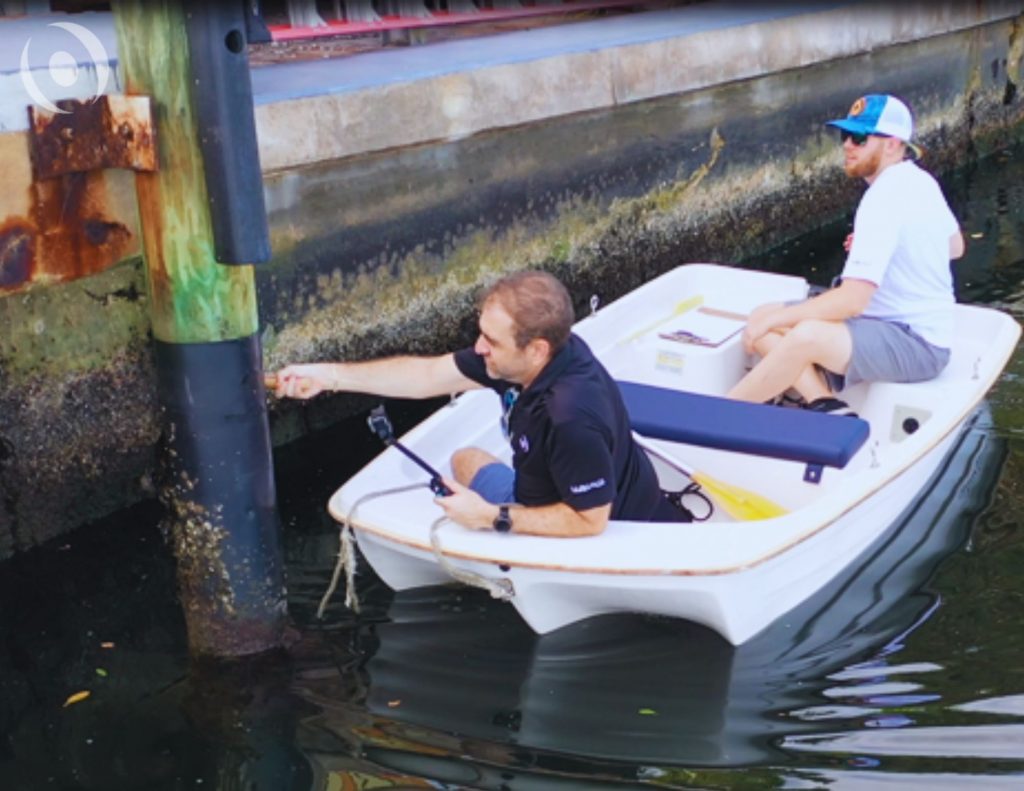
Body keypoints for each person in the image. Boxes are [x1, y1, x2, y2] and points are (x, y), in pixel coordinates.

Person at [272, 270, 681, 536]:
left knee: (475, 488)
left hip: (611, 530)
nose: (478, 348)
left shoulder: (569, 416)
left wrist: (490, 516)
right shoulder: (524, 358)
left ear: (536, 349)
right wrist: (330, 377)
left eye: (491, 341)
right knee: (465, 458)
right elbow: (427, 376)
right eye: (481, 333)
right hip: (539, 489)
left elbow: (591, 521)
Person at [727, 93, 965, 415]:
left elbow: (853, 301)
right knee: (761, 319)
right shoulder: (921, 181)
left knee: (797, 332)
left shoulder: (883, 197)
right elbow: (954, 246)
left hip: (918, 344)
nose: (847, 146)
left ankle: (718, 414)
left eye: (860, 138)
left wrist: (777, 318)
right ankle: (826, 403)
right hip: (885, 323)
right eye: (845, 136)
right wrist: (891, 247)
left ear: (892, 145)